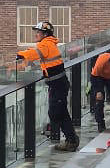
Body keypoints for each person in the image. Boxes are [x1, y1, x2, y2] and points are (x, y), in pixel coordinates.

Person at [17, 19, 78, 152]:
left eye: (38, 32)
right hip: (56, 84)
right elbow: (36, 52)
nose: (36, 34)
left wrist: (20, 54)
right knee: (61, 112)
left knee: (56, 113)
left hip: (58, 85)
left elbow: (34, 54)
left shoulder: (45, 45)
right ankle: (71, 140)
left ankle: (71, 139)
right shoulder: (47, 44)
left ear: (45, 34)